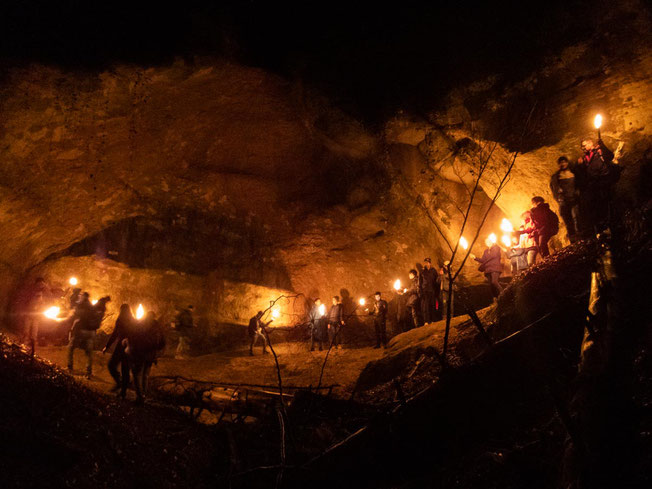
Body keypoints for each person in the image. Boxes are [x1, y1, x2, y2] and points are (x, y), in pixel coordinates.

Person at [122, 311, 166, 405]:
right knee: (145, 376)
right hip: (151, 356)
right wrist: (156, 351)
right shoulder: (158, 327)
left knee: (137, 375)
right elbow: (162, 343)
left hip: (140, 354)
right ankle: (144, 395)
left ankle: (139, 397)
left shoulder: (141, 324)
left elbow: (133, 336)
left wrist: (129, 345)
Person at [577, 138, 618, 234]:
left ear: (591, 144)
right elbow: (585, 174)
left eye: (584, 145)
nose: (583, 148)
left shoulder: (599, 151)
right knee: (598, 206)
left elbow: (610, 156)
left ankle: (612, 226)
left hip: (604, 182)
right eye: (581, 146)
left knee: (607, 204)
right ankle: (601, 229)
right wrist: (581, 165)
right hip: (594, 185)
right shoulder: (585, 158)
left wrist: (603, 145)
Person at [103, 304, 134, 392]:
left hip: (122, 347)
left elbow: (115, 334)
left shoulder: (121, 320)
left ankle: (121, 386)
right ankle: (121, 387)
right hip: (128, 347)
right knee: (125, 369)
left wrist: (107, 346)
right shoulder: (132, 320)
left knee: (113, 366)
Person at [550, 156, 581, 242]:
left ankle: (580, 238)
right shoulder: (556, 177)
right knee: (568, 221)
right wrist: (559, 198)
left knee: (576, 219)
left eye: (564, 162)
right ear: (559, 164)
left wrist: (577, 193)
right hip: (564, 202)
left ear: (567, 163)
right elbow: (554, 189)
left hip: (574, 200)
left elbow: (579, 184)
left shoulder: (573, 173)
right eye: (561, 162)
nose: (563, 164)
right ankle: (573, 240)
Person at [67, 292, 97, 378]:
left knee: (71, 347)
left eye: (81, 296)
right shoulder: (92, 307)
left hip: (81, 330)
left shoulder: (80, 305)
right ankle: (89, 371)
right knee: (89, 352)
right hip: (91, 332)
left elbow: (74, 316)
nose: (79, 297)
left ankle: (70, 366)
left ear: (84, 297)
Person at [419, 258, 440, 323]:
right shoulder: (422, 272)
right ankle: (427, 321)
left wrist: (437, 291)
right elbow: (420, 282)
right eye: (425, 262)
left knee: (433, 305)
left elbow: (437, 281)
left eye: (428, 262)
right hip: (425, 291)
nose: (426, 264)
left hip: (432, 290)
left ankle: (433, 319)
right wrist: (421, 292)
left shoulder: (433, 271)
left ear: (430, 263)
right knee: (426, 306)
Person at [24, 291, 46, 357]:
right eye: (38, 296)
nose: (39, 297)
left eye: (40, 296)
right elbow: (28, 309)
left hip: (36, 319)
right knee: (26, 331)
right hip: (29, 317)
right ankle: (25, 343)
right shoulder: (32, 302)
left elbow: (42, 311)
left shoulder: (42, 303)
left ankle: (32, 347)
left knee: (34, 333)